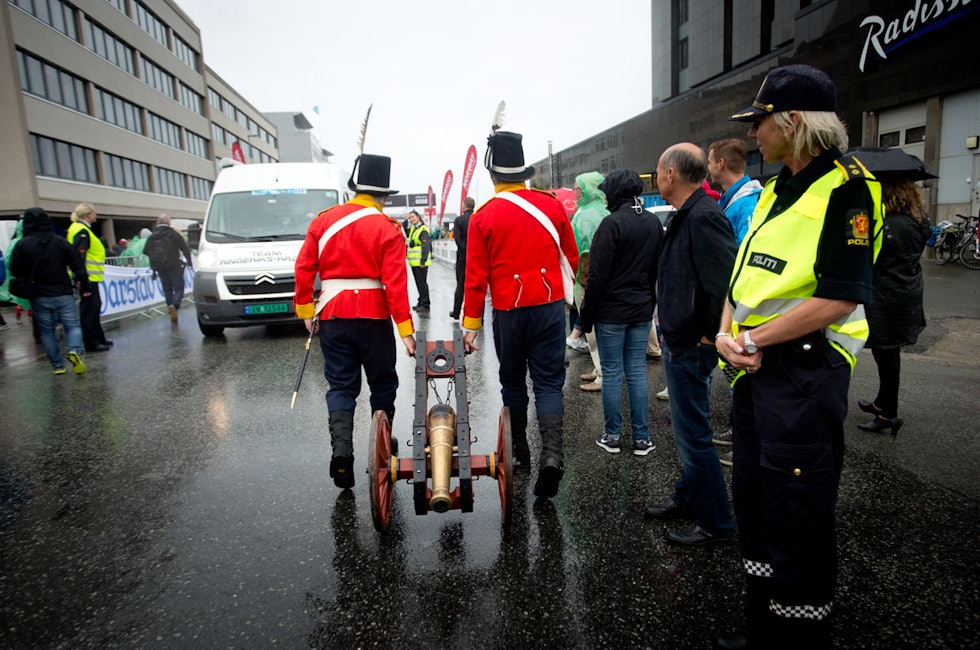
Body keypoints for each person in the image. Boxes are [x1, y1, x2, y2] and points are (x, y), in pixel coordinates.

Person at [716, 64, 882, 649]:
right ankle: (764, 623)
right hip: (753, 369)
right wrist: (725, 333)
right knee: (757, 500)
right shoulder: (776, 188)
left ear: (793, 122)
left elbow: (839, 297)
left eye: (760, 121)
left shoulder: (849, 190)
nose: (753, 133)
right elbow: (743, 280)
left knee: (797, 503)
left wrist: (754, 341)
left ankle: (800, 634)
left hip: (805, 371)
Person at [462, 130, 579, 498]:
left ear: (493, 175)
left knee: (512, 382)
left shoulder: (483, 216)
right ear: (523, 171)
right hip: (547, 306)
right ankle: (552, 454)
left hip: (509, 311)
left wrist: (470, 326)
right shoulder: (551, 205)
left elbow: (474, 279)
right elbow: (571, 257)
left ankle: (519, 454)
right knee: (548, 382)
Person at [294, 153, 416, 489]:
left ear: (354, 188)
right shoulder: (388, 228)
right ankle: (383, 444)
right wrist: (406, 330)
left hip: (333, 314)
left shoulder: (323, 221)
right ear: (385, 196)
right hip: (374, 317)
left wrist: (306, 310)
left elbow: (304, 268)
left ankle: (342, 452)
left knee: (341, 386)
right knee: (383, 384)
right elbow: (395, 283)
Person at [643, 143, 737, 548]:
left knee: (693, 433)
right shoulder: (691, 213)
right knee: (687, 430)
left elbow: (724, 282)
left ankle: (716, 521)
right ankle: (688, 495)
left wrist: (708, 334)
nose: (658, 177)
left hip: (692, 343)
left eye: (659, 171)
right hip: (680, 337)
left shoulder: (703, 216)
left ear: (672, 174)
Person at [579, 169, 662, 455]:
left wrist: (585, 318)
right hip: (641, 309)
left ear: (614, 193)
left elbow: (597, 278)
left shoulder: (611, 224)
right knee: (637, 372)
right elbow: (655, 271)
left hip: (611, 313)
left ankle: (612, 436)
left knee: (613, 374)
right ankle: (642, 438)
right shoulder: (652, 223)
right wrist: (650, 304)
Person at [858, 177, 930, 436]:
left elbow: (870, 256)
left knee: (886, 354)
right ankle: (882, 402)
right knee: (887, 353)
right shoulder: (917, 218)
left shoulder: (886, 223)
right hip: (907, 290)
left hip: (886, 294)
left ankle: (889, 414)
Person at [707, 139, 765, 458]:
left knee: (743, 368)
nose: (707, 167)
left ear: (721, 165)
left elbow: (744, 257)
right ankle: (738, 426)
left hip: (744, 305)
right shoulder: (731, 199)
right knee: (733, 369)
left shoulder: (747, 203)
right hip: (731, 301)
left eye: (710, 161)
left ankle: (746, 440)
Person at [9, 208, 89, 375]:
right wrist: (86, 286)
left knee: (46, 331)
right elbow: (78, 267)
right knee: (72, 326)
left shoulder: (22, 244)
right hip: (63, 291)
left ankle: (57, 366)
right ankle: (74, 350)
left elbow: (15, 269)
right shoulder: (60, 242)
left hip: (38, 294)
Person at [568, 171, 609, 392]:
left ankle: (602, 374)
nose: (575, 191)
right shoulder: (603, 209)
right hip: (604, 279)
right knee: (600, 328)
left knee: (592, 329)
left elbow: (585, 252)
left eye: (577, 187)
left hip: (586, 279)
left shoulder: (584, 214)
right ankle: (599, 369)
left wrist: (582, 279)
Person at [67, 203, 111, 352]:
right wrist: (82, 280)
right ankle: (91, 342)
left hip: (90, 277)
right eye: (94, 212)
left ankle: (99, 338)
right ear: (88, 214)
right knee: (89, 311)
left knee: (94, 307)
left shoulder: (81, 229)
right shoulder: (82, 231)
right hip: (88, 278)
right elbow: (80, 256)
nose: (96, 215)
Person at [708, 138, 764, 246]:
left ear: (720, 163)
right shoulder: (727, 200)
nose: (708, 168)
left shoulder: (748, 204)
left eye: (709, 163)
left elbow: (747, 249)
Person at [146, 214, 194, 323]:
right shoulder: (173, 234)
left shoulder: (152, 236)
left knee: (167, 289)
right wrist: (190, 262)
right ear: (169, 223)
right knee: (179, 288)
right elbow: (185, 248)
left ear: (158, 223)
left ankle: (170, 308)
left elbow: (145, 250)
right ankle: (174, 305)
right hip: (174, 264)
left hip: (160, 266)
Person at [449, 197, 474, 319]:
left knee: (460, 285)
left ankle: (456, 312)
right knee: (476, 286)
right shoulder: (477, 218)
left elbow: (457, 238)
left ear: (464, 206)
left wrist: (466, 249)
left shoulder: (459, 220)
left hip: (463, 258)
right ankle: (478, 315)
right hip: (476, 258)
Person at [405, 210, 431, 313]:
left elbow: (426, 246)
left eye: (413, 217)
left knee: (422, 283)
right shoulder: (413, 229)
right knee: (418, 283)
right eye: (410, 218)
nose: (411, 219)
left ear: (418, 217)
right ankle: (421, 301)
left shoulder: (423, 229)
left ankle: (425, 304)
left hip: (421, 262)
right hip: (414, 262)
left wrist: (423, 260)